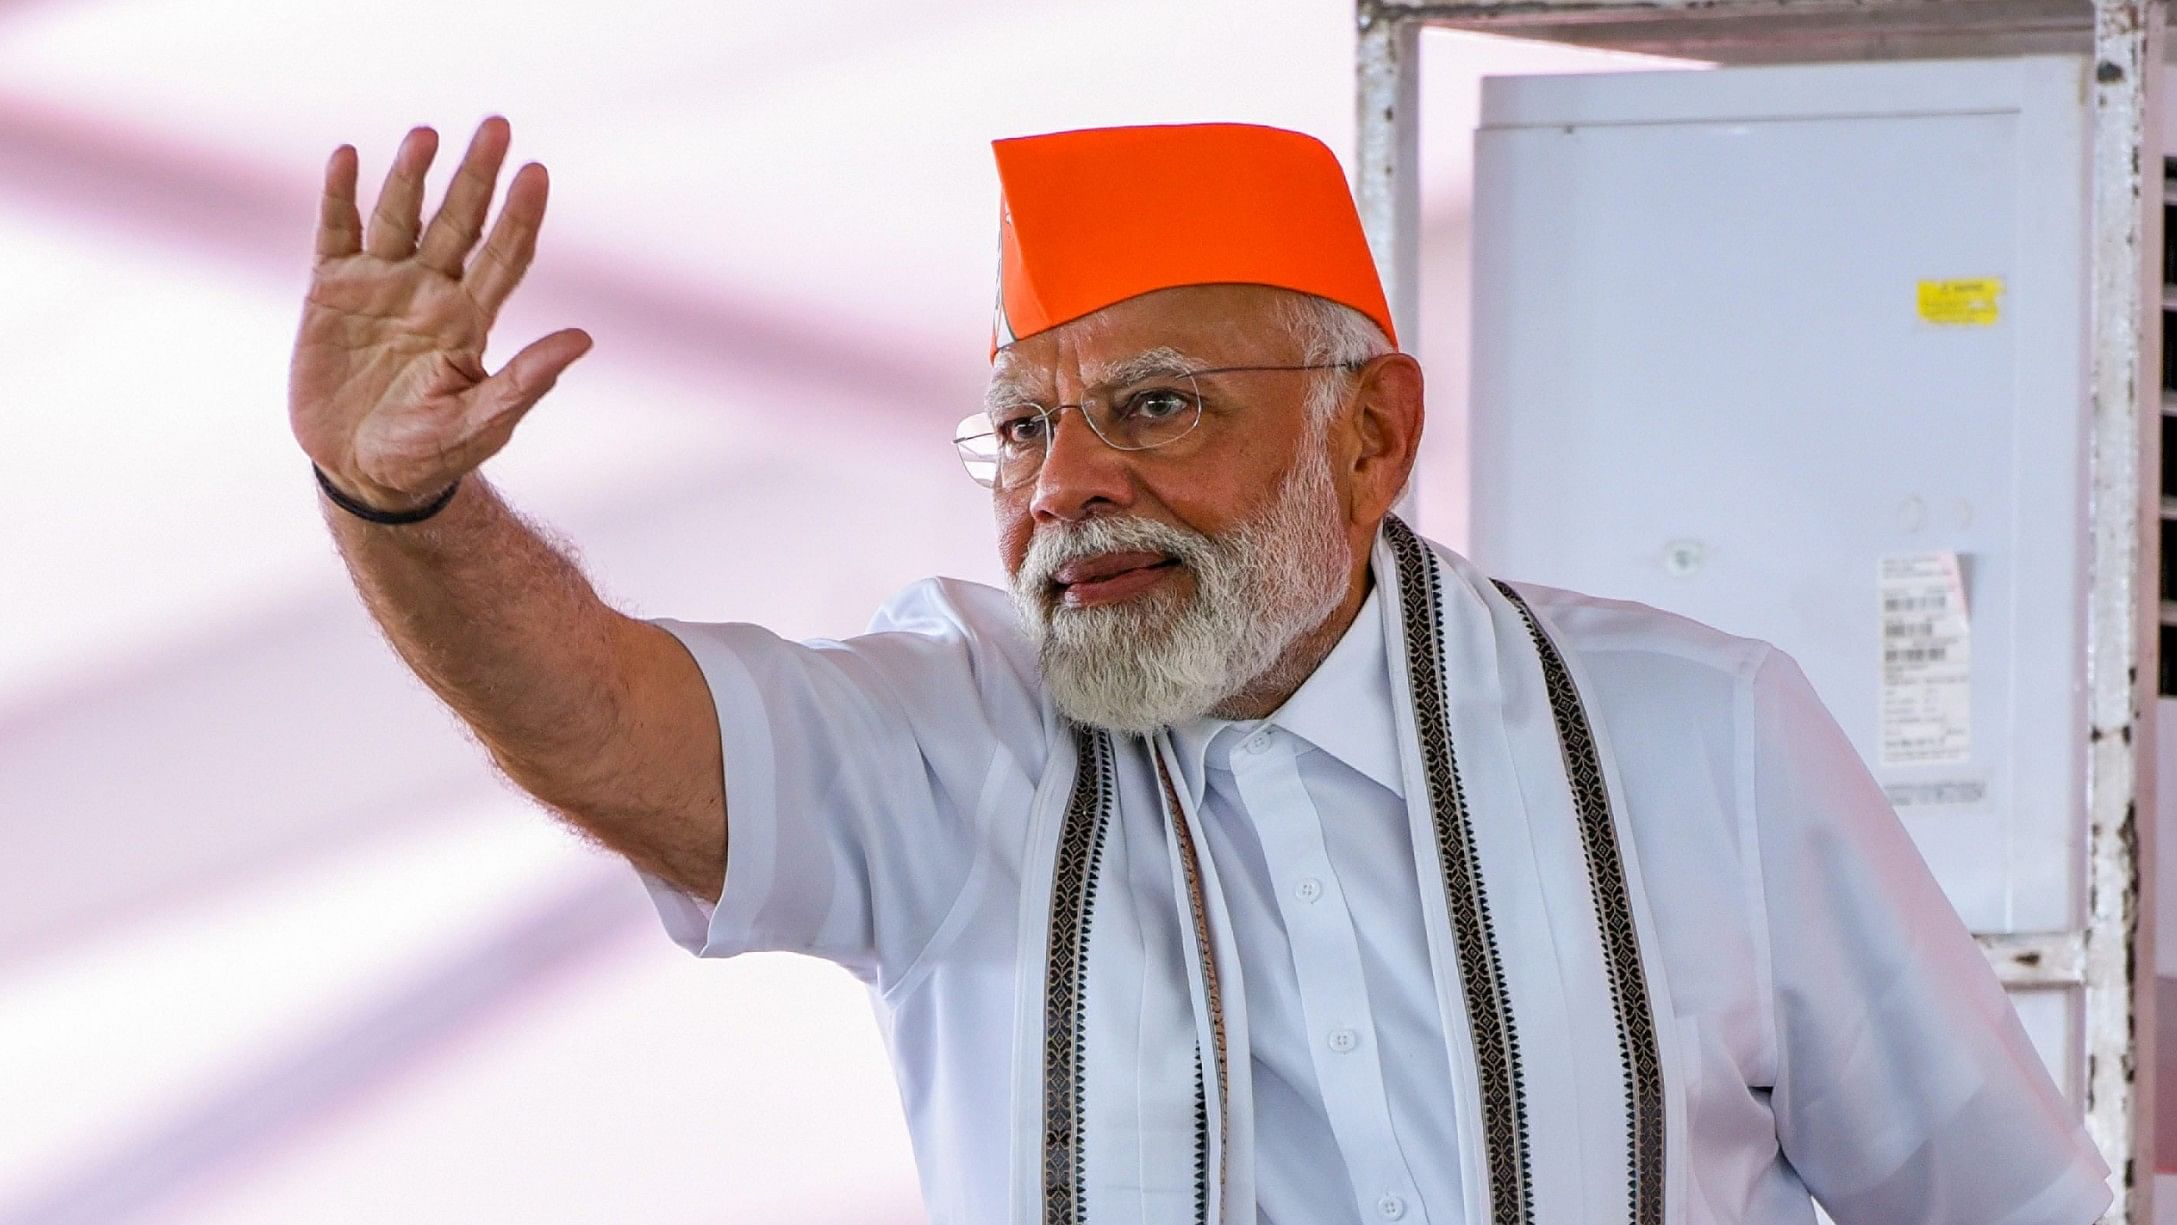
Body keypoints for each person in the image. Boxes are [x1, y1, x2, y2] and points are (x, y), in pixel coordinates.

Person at [291, 115, 2113, 1225]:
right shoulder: (957, 728)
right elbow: (610, 725)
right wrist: (412, 505)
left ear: (1370, 433)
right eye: (1019, 428)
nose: (1068, 485)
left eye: (1154, 408)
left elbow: (1997, 1206)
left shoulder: (1692, 734)